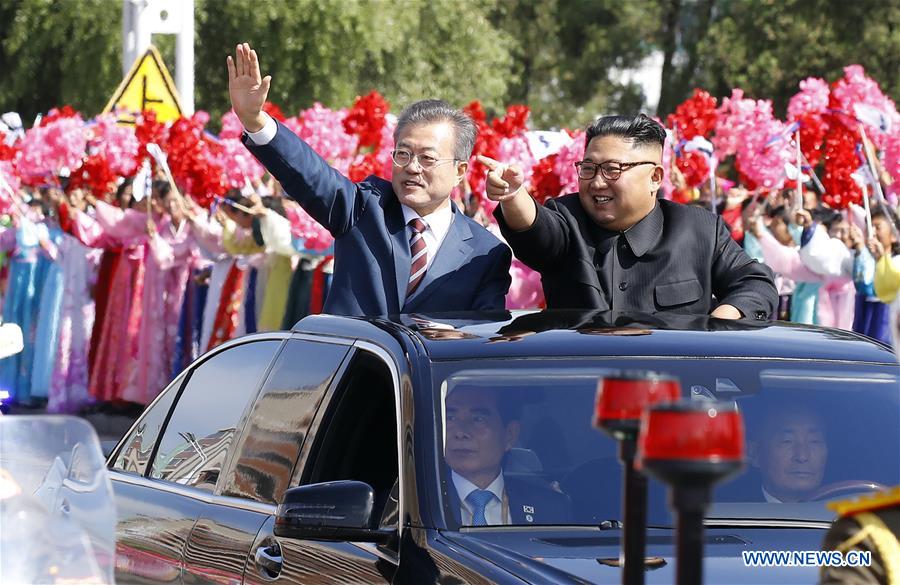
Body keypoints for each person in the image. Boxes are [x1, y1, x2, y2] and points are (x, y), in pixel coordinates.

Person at [227, 43, 511, 316]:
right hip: (351, 364)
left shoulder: (485, 253)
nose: (412, 167)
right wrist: (255, 121)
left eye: (427, 158)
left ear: (460, 171)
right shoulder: (362, 208)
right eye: (403, 153)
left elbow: (481, 342)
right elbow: (309, 172)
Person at [482, 113, 777, 319]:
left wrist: (718, 324)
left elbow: (755, 284)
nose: (597, 182)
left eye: (612, 170)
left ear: (655, 177)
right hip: (581, 392)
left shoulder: (700, 230)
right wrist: (513, 195)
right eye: (589, 168)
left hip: (673, 394)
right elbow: (537, 230)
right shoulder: (566, 217)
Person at [443, 384, 569, 526]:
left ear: (510, 435)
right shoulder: (419, 503)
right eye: (450, 418)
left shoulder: (548, 507)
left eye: (478, 419)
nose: (460, 433)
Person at [748, 403, 828, 503]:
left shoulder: (844, 513)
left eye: (814, 441)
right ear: (755, 454)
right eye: (787, 441)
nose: (802, 456)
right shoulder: (731, 511)